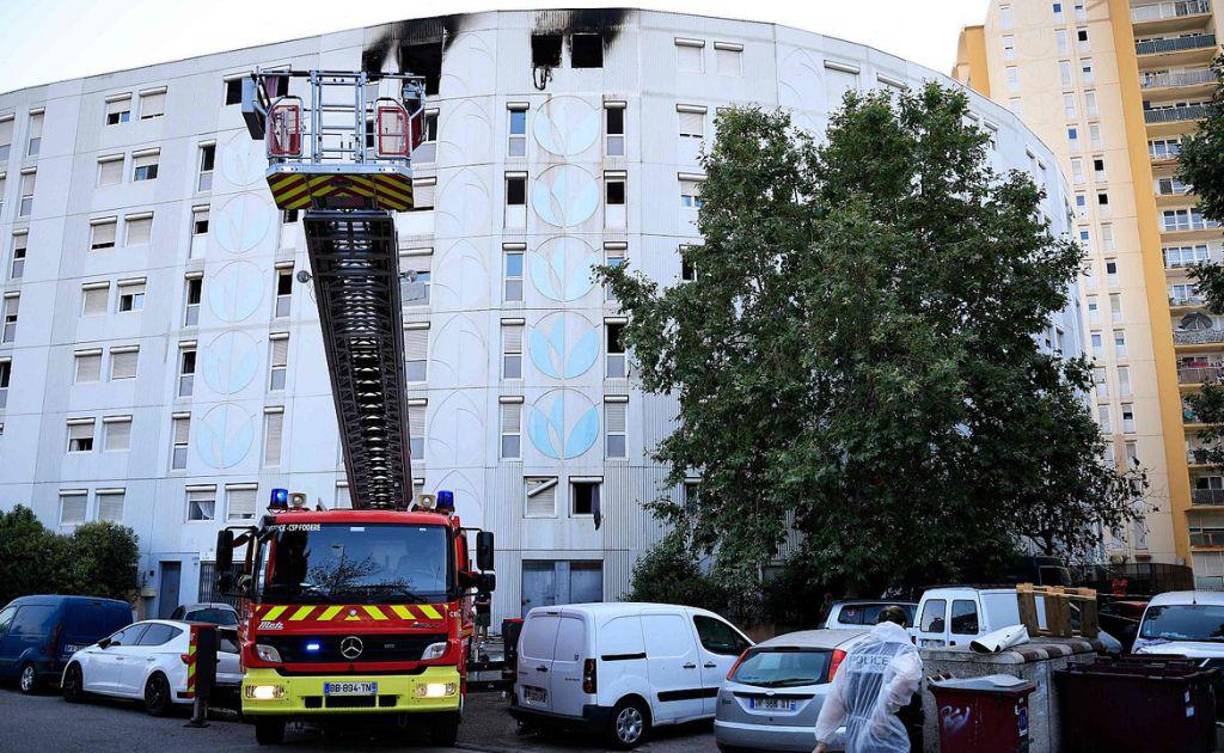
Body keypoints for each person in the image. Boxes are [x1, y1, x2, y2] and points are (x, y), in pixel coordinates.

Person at [813, 605, 923, 753]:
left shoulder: (858, 650)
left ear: (877, 623)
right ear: (903, 625)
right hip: (889, 732)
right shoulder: (904, 650)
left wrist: (823, 739)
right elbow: (908, 676)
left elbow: (836, 696)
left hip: (856, 734)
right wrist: (883, 712)